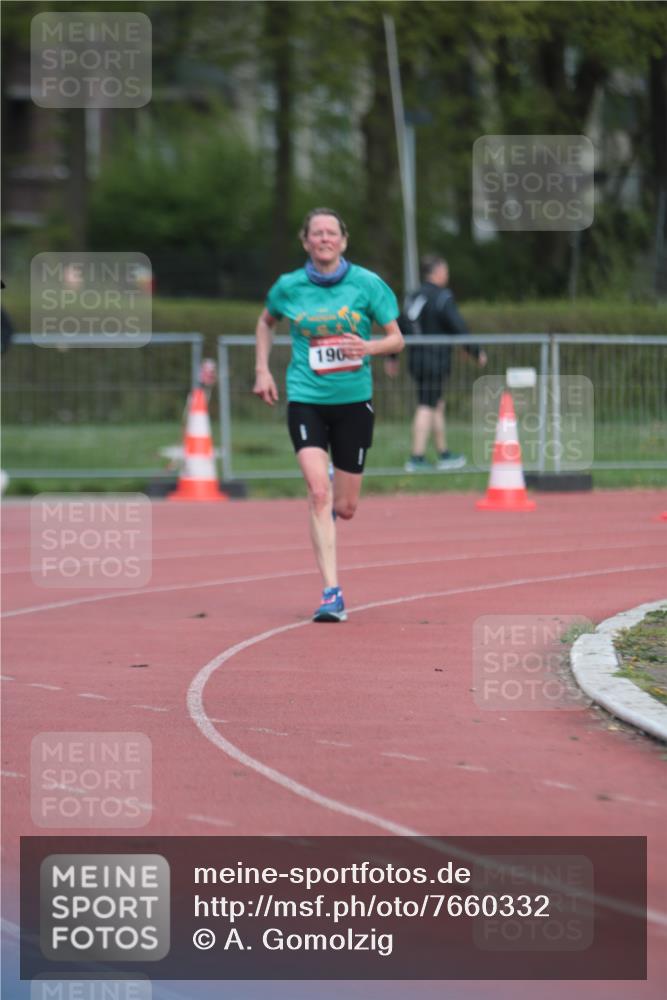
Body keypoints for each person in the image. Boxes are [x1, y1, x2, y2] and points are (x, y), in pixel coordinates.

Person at [253, 208, 404, 622]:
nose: (324, 239)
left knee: (347, 507)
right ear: (305, 242)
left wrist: (367, 347)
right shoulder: (288, 287)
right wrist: (262, 369)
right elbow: (265, 323)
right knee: (318, 494)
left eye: (331, 233)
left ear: (343, 241)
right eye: (316, 233)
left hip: (354, 401)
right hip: (306, 398)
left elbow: (396, 339)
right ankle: (331, 593)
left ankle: (336, 484)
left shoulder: (367, 284)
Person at [390, 255, 486, 472]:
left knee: (436, 404)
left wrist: (392, 357)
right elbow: (458, 325)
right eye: (445, 270)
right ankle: (416, 457)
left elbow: (399, 325)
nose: (447, 275)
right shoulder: (442, 297)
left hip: (417, 359)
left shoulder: (413, 296)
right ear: (435, 272)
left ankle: (443, 454)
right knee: (426, 405)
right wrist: (475, 350)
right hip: (434, 360)